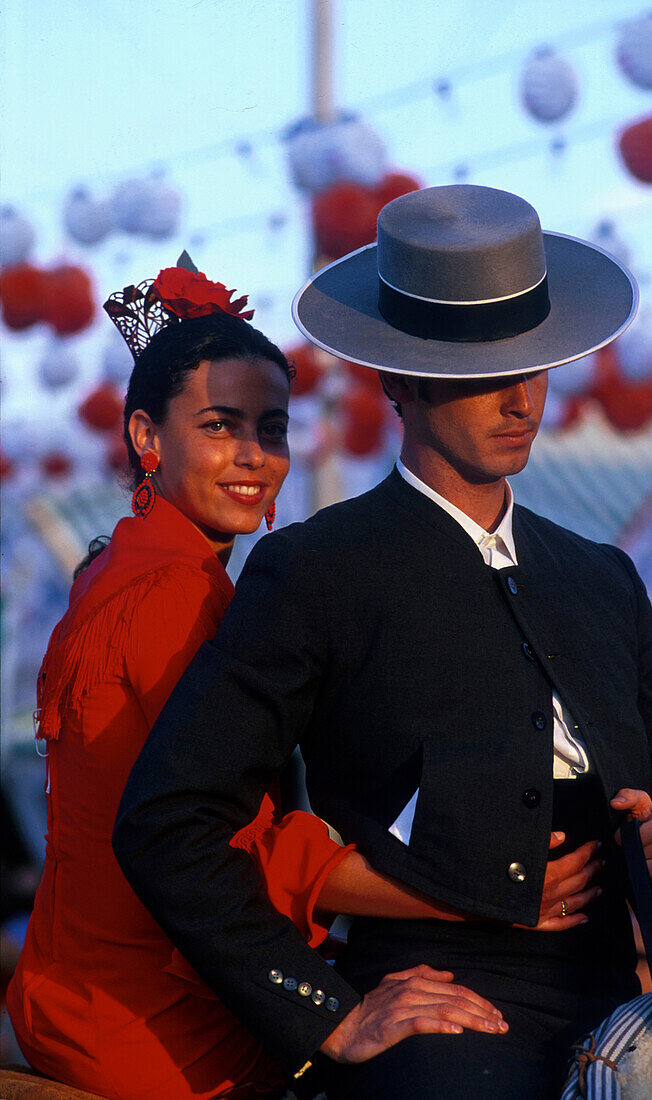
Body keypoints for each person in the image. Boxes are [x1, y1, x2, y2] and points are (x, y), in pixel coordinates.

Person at [112, 187, 652, 1099]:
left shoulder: (603, 577)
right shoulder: (315, 570)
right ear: (397, 379)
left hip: (627, 996)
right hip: (440, 1011)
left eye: (538, 364)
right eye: (484, 371)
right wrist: (329, 1011)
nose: (520, 398)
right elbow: (168, 823)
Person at [7, 259, 507, 1100]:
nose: (253, 457)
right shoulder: (178, 594)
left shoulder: (111, 569)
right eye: (219, 425)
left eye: (270, 429)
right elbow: (218, 843)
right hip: (160, 1034)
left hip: (71, 996)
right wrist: (481, 893)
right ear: (145, 437)